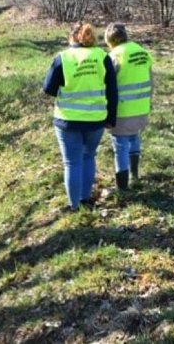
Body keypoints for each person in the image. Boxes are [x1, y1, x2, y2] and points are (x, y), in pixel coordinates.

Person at [43, 22, 118, 211]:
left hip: (68, 120)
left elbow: (48, 89)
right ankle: (85, 200)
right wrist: (111, 118)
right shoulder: (102, 57)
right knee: (88, 157)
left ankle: (74, 206)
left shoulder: (63, 58)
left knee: (72, 162)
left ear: (72, 38)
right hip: (96, 120)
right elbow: (112, 91)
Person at [104, 23, 153, 190]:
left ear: (109, 40)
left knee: (120, 146)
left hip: (122, 110)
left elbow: (107, 84)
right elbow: (150, 77)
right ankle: (135, 175)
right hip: (141, 107)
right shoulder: (142, 52)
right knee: (134, 138)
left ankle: (122, 187)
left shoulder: (114, 56)